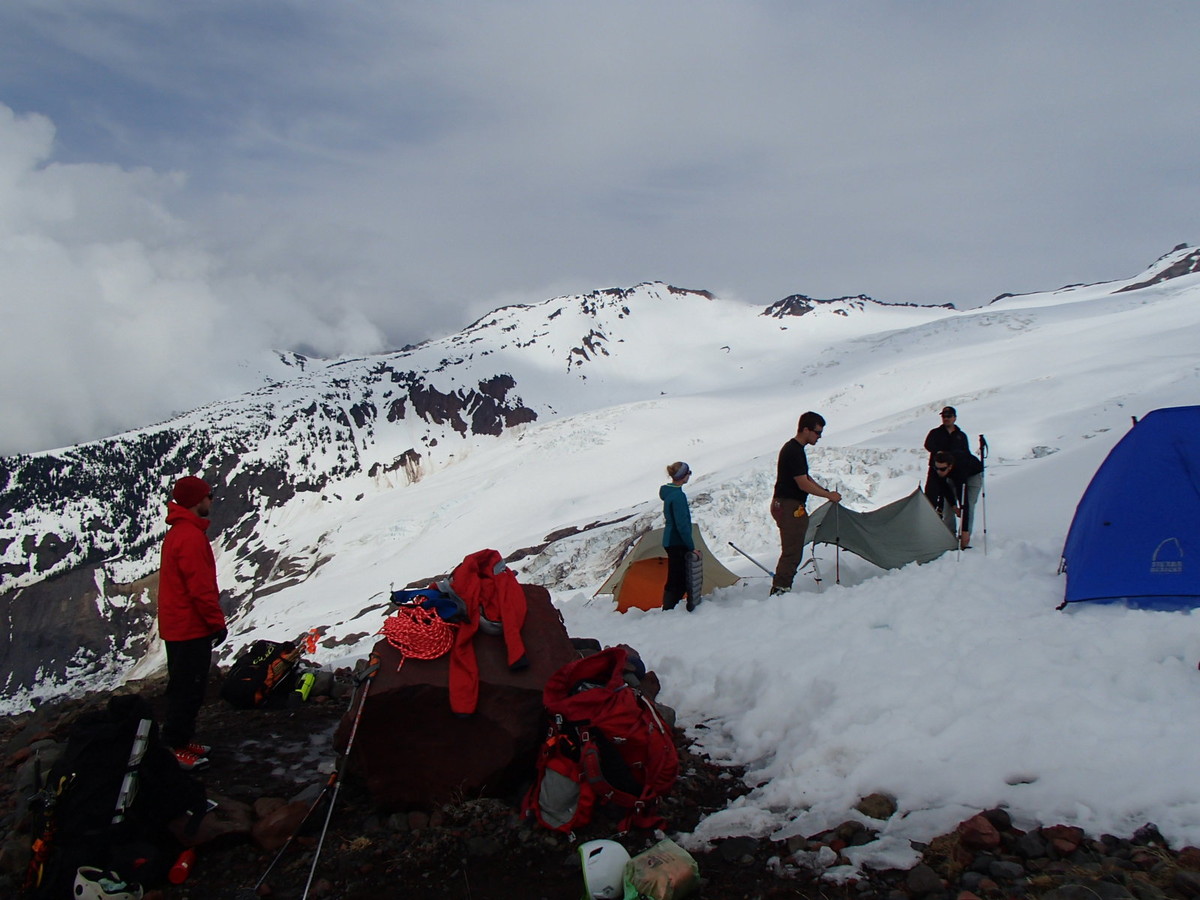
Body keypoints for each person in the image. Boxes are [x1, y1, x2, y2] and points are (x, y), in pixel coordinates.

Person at [158, 475, 227, 770]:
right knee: (187, 689)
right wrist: (216, 623)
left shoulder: (181, 531)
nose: (211, 499)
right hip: (189, 628)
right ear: (198, 500)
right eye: (208, 495)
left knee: (187, 686)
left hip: (181, 626)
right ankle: (173, 749)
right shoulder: (189, 536)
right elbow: (199, 587)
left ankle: (182, 741)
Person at [770, 412, 842, 595]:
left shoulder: (795, 449)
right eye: (817, 432)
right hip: (788, 506)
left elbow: (806, 478)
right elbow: (802, 483)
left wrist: (827, 494)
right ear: (805, 429)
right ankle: (780, 590)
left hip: (788, 505)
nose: (819, 437)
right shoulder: (793, 450)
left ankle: (782, 587)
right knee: (792, 551)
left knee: (793, 549)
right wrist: (828, 496)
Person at [927, 450, 984, 549]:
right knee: (947, 504)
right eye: (937, 468)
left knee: (969, 505)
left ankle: (964, 539)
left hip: (973, 475)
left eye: (942, 469)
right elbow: (944, 488)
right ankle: (949, 536)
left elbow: (963, 499)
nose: (939, 471)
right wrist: (954, 506)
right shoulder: (937, 469)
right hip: (953, 476)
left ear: (949, 466)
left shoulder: (960, 470)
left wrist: (964, 530)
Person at [659, 461, 697, 611]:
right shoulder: (678, 496)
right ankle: (670, 609)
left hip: (670, 540)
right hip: (677, 541)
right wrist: (691, 546)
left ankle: (670, 607)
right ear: (683, 476)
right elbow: (682, 525)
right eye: (689, 473)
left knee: (675, 576)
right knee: (679, 578)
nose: (689, 475)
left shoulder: (668, 492)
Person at [923, 406, 970, 502]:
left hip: (954, 471)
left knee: (957, 499)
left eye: (949, 416)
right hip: (936, 470)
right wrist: (939, 453)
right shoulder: (935, 432)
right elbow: (928, 445)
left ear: (954, 418)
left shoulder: (961, 435)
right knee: (931, 497)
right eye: (944, 416)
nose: (946, 419)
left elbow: (966, 453)